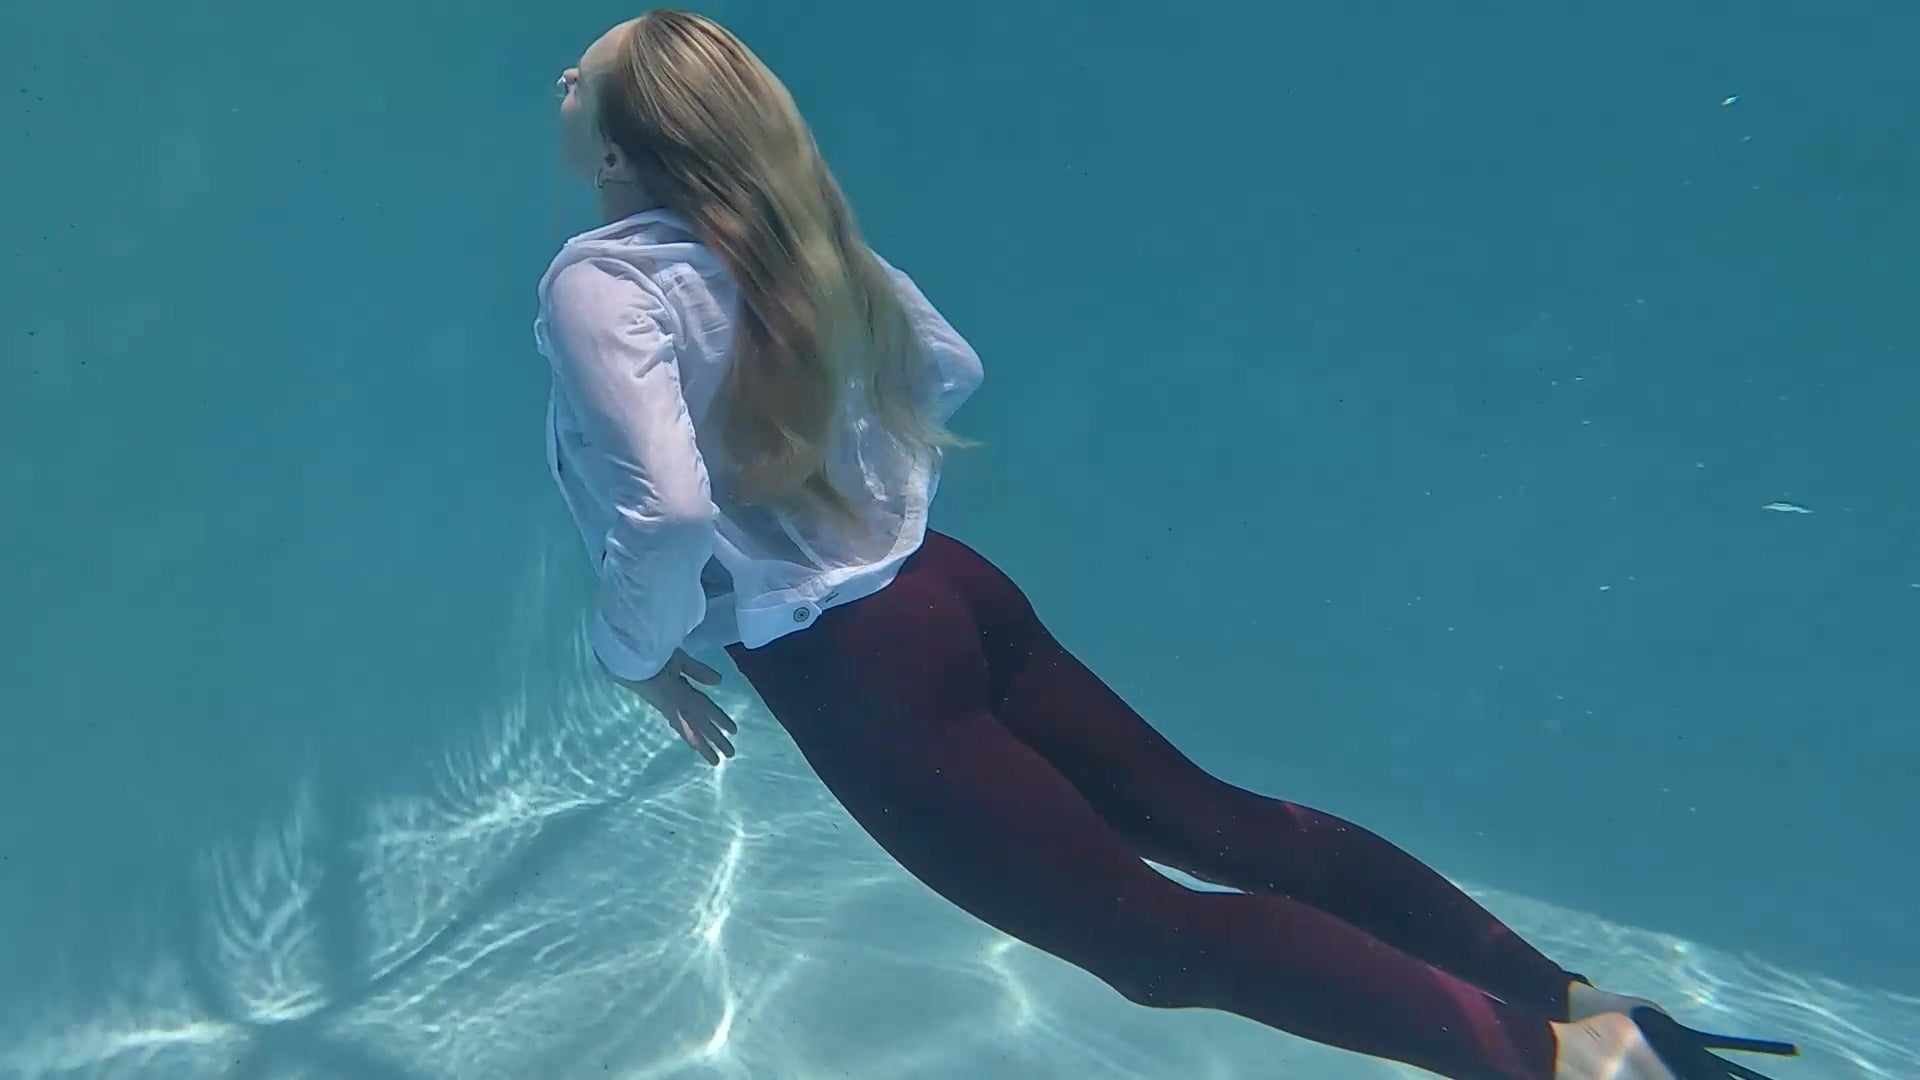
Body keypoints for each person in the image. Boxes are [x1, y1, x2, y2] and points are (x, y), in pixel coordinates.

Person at [533, 11, 1800, 1080]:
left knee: (1147, 940)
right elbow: (948, 368)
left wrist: (632, 650)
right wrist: (853, 487)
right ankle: (1593, 1015)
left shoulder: (601, 282)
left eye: (580, 74)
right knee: (1231, 831)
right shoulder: (795, 235)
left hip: (855, 666)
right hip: (951, 592)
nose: (560, 84)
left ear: (628, 140)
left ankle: (1580, 1068)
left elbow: (668, 513)